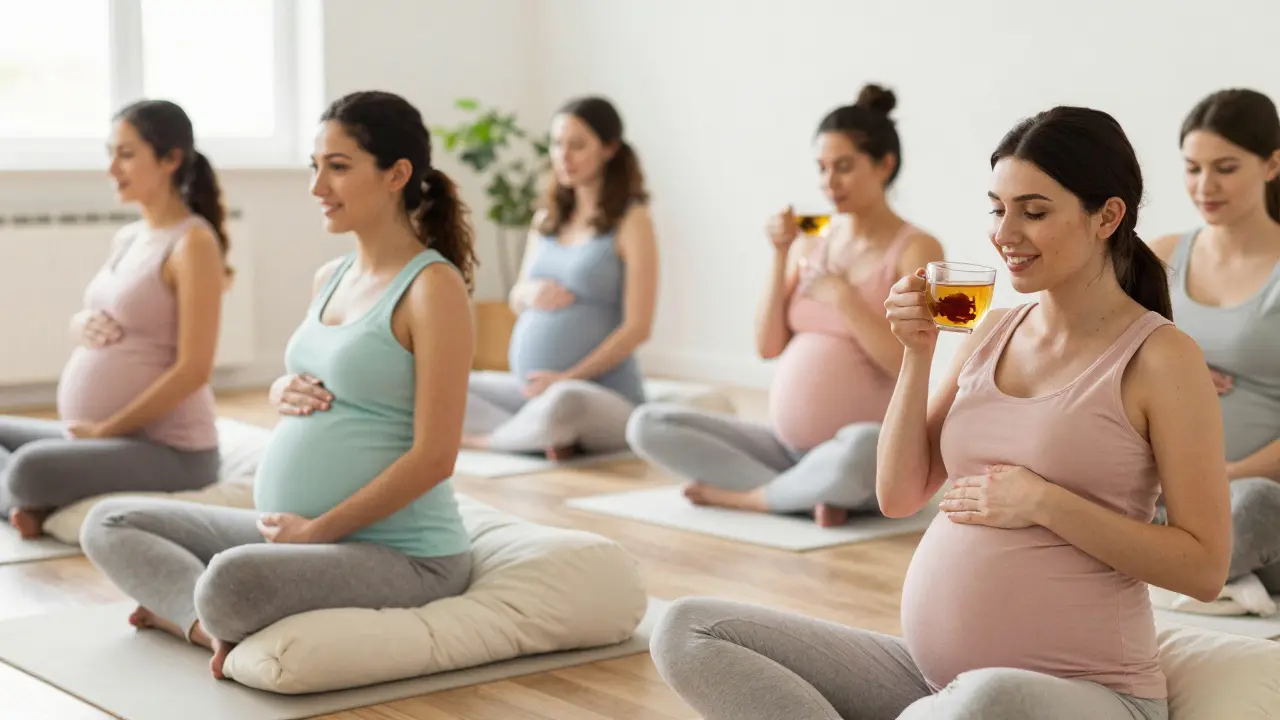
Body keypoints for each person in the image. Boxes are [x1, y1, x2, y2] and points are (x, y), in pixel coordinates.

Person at [649, 106, 1231, 719]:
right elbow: (898, 495)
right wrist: (917, 355)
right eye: (996, 208)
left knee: (983, 700)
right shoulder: (990, 332)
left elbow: (1203, 568)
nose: (1005, 232)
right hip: (937, 683)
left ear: (1107, 216)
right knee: (690, 628)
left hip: (1084, 693)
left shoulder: (1161, 357)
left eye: (1033, 212)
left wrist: (1045, 503)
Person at [81, 90, 476, 680]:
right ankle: (201, 624)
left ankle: (192, 614)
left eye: (338, 168)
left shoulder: (432, 288)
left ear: (397, 174)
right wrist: (279, 391)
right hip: (289, 530)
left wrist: (315, 533)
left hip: (403, 553)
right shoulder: (331, 276)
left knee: (231, 581)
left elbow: (436, 456)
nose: (318, 186)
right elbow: (331, 374)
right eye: (314, 167)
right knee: (108, 523)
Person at [626, 84, 943, 527]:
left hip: (866, 450)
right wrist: (779, 254)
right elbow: (767, 345)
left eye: (844, 167)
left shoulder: (916, 248)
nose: (828, 183)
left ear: (884, 165)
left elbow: (906, 361)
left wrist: (846, 299)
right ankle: (806, 491)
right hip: (785, 449)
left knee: (858, 449)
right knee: (648, 424)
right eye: (821, 168)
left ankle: (756, 498)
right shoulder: (811, 241)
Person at [0, 100, 229, 539]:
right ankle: (33, 505)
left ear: (170, 159)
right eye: (110, 153)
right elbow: (112, 311)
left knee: (28, 468)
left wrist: (105, 430)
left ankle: (33, 501)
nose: (111, 168)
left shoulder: (193, 244)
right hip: (103, 439)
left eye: (125, 154)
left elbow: (194, 370)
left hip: (168, 450)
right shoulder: (130, 236)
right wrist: (79, 324)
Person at [461, 95, 658, 460]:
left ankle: (494, 441)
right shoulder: (546, 220)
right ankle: (537, 435)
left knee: (564, 404)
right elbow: (517, 297)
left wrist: (567, 379)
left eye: (578, 145)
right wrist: (530, 292)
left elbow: (638, 328)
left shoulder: (632, 221)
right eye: (556, 144)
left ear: (609, 149)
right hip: (531, 391)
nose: (563, 156)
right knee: (447, 385)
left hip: (596, 395)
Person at [1150, 88, 1280, 593]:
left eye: (1225, 168)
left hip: (1250, 493)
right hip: (1158, 488)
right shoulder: (1160, 257)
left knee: (1253, 506)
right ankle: (1158, 564)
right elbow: (1095, 356)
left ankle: (1142, 568)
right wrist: (1164, 363)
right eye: (1192, 168)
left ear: (1272, 165)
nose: (1205, 186)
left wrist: (1218, 477)